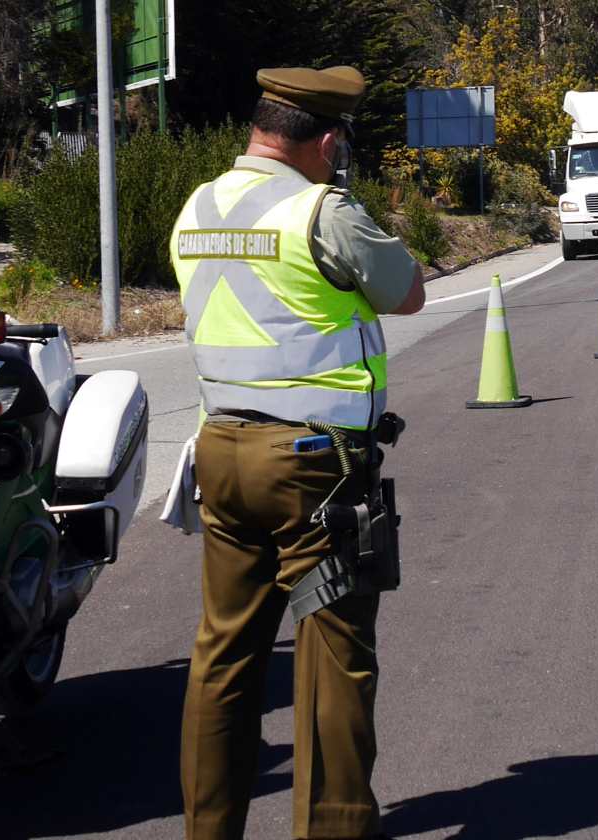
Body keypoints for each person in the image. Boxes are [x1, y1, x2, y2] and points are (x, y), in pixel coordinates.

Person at [170, 65, 424, 840]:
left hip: (220, 452)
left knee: (223, 657)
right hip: (314, 466)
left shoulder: (197, 206)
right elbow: (405, 290)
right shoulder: (322, 209)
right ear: (325, 139)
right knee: (334, 658)